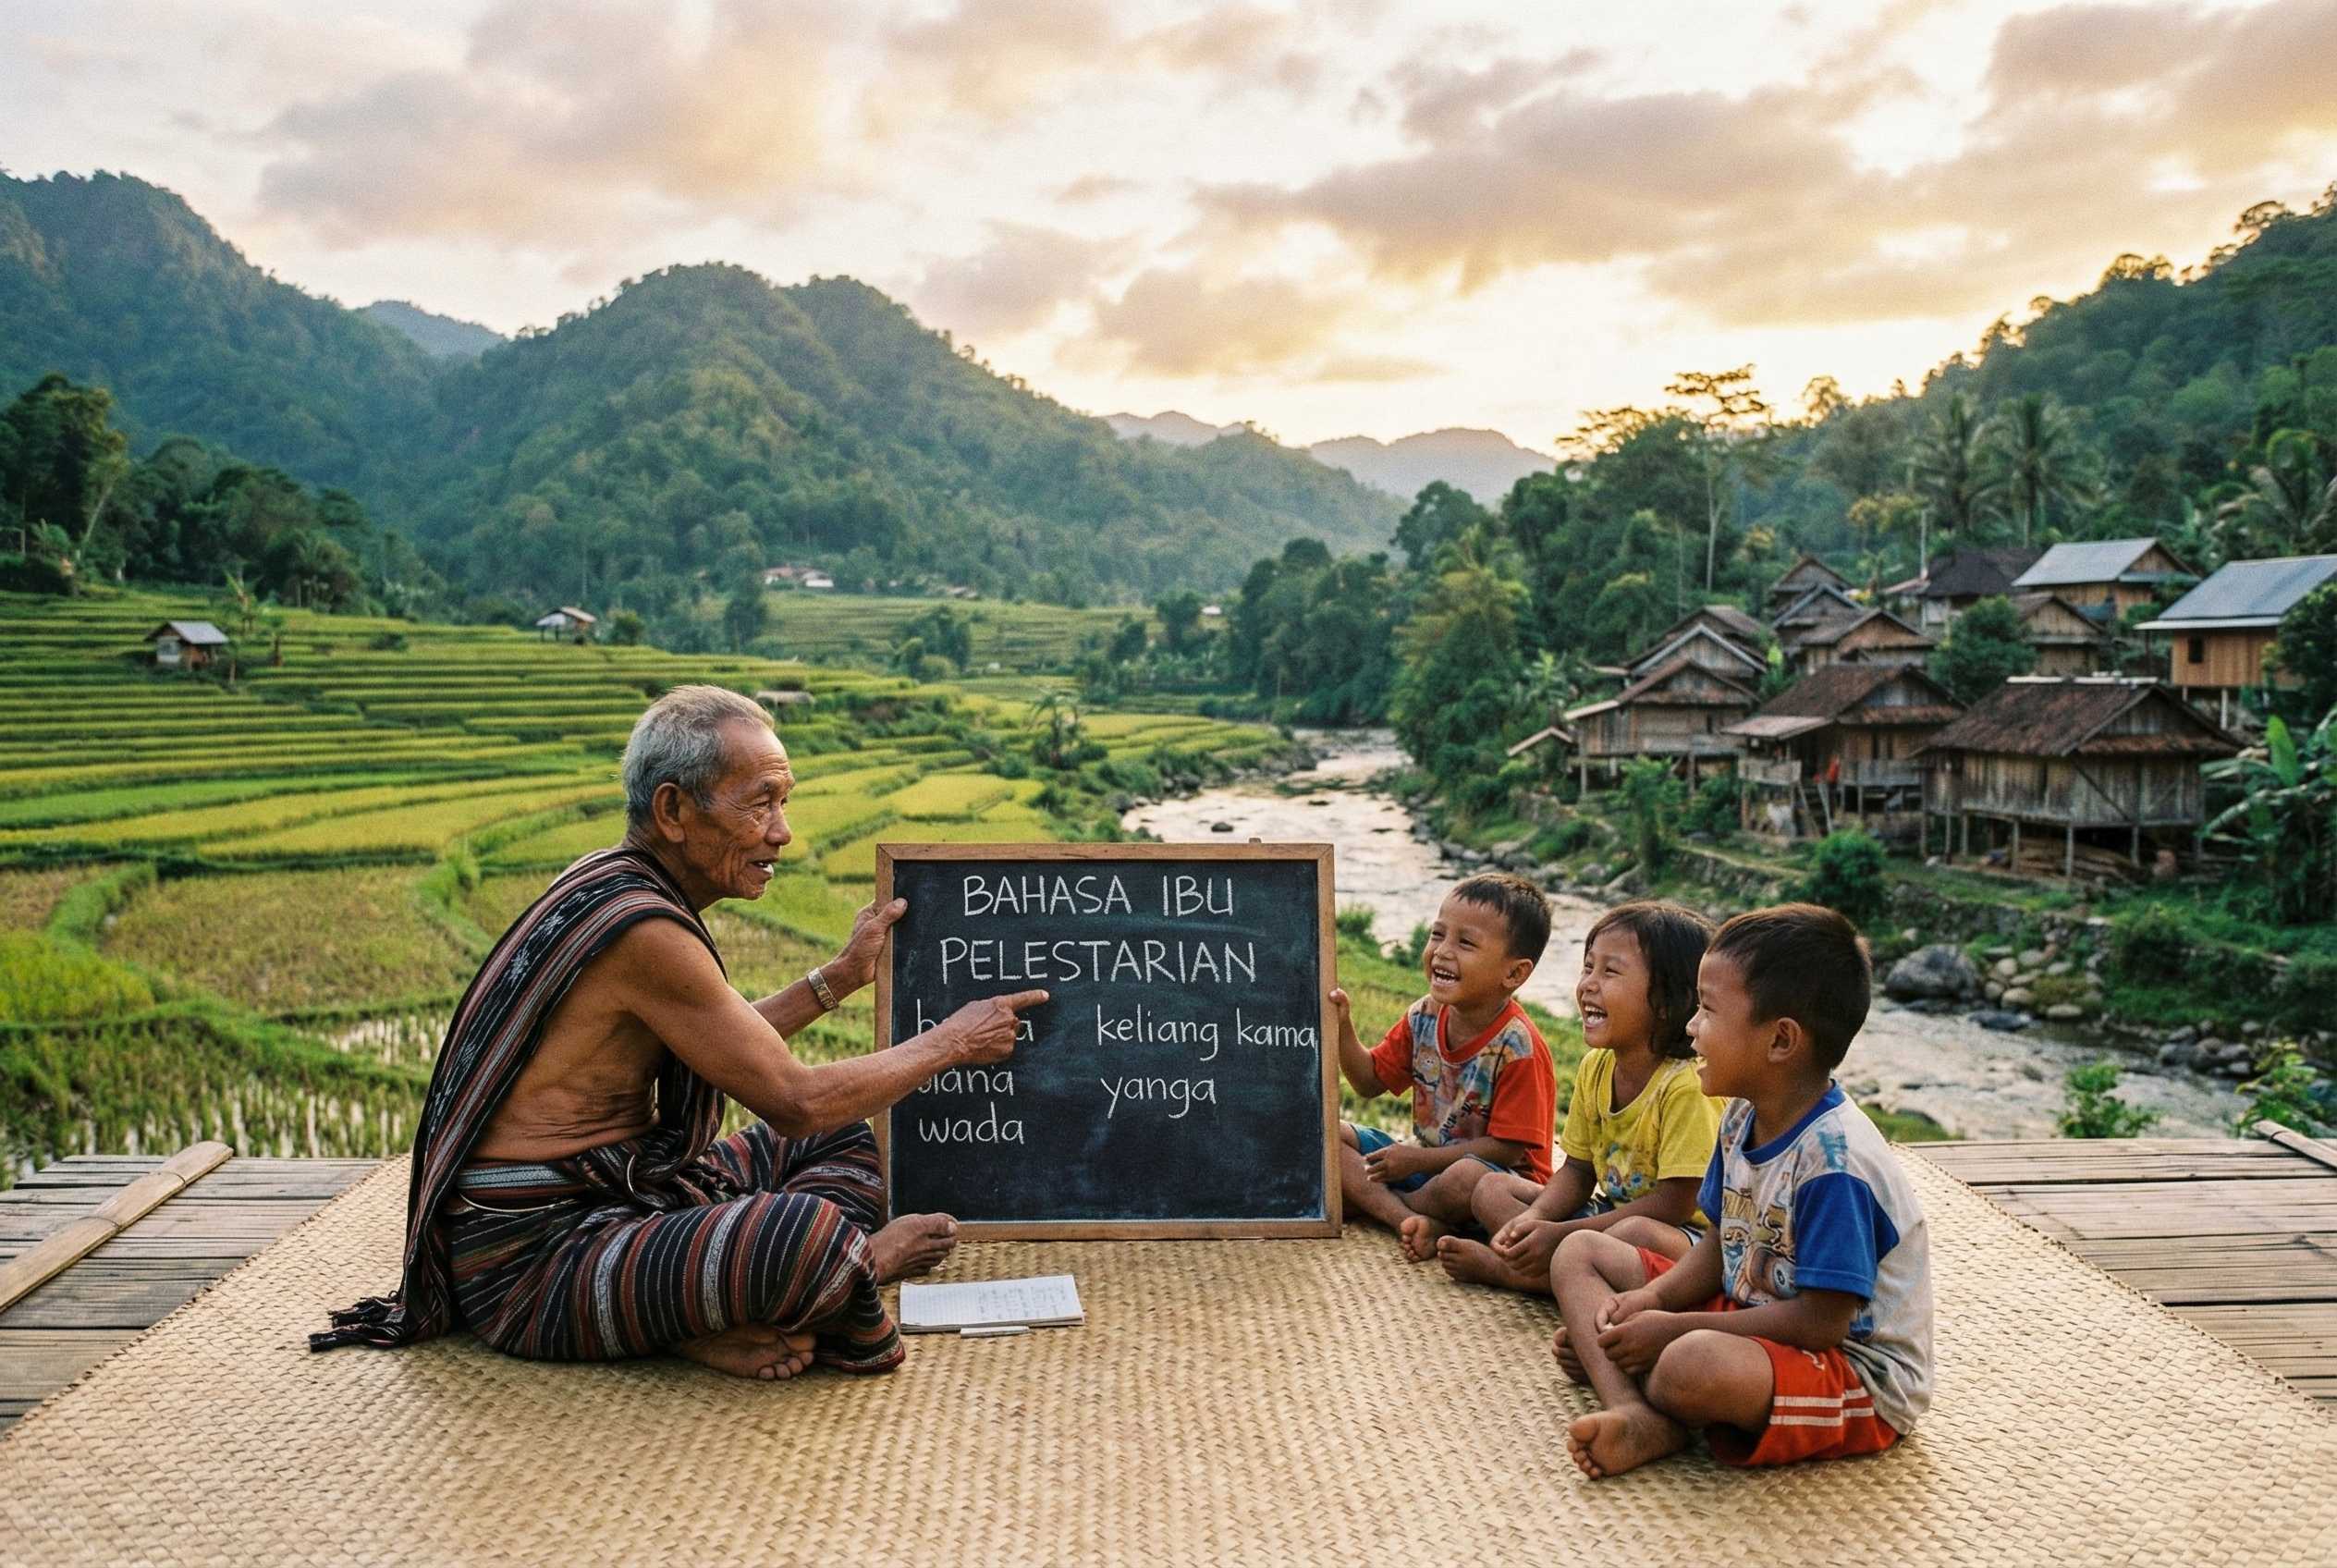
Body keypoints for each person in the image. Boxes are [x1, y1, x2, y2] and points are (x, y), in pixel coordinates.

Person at [312, 684, 1047, 1380]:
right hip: (535, 1260)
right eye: (760, 803)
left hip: (627, 1198)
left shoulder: (617, 883)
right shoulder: (643, 930)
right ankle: (855, 1268)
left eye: (784, 803)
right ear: (672, 810)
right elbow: (796, 1100)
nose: (783, 832)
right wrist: (953, 1042)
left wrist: (840, 977)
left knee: (845, 1140)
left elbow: (722, 1049)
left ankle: (706, 1311)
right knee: (804, 1235)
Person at [1556, 903, 1933, 1478]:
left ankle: (1636, 1376)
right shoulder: (1740, 1115)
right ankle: (1634, 1408)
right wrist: (1653, 1302)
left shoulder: (1837, 1163)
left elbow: (1820, 1323)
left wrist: (1677, 1327)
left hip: (1851, 1368)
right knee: (1577, 1252)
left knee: (1686, 1365)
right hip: (1757, 1311)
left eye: (1708, 1009)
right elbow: (1718, 1243)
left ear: (1780, 1041)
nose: (1691, 1026)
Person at [1437, 901, 1719, 1294]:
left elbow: (1675, 1204)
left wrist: (1564, 1233)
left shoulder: (1686, 1087)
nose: (1588, 984)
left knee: (1635, 1231)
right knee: (1492, 1190)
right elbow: (1577, 1172)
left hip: (1680, 1241)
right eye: (1588, 968)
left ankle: (1518, 1273)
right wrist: (1536, 1219)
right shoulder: (1596, 1067)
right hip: (1607, 1217)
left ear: (1667, 1001)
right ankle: (1549, 1265)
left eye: (1610, 971)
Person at [1329, 874, 1557, 1263]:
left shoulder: (1518, 1047)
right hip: (1426, 1163)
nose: (1442, 951)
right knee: (1328, 1133)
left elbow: (1505, 1150)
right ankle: (1407, 1217)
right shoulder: (1424, 1015)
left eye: (1465, 943)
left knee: (1465, 1177)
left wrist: (1414, 1161)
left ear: (1514, 974)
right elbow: (1368, 1081)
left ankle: (1382, 1205)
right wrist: (1341, 1027)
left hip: (1497, 1187)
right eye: (1437, 934)